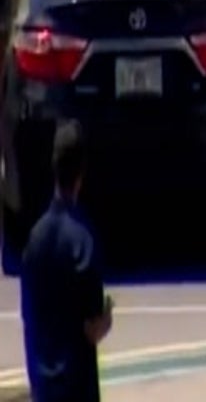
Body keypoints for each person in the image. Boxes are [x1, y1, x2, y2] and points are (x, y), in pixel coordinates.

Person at [20, 120, 113, 402]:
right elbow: (93, 329)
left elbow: (28, 315)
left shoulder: (34, 240)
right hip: (77, 389)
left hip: (43, 389)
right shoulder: (83, 239)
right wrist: (107, 316)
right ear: (81, 173)